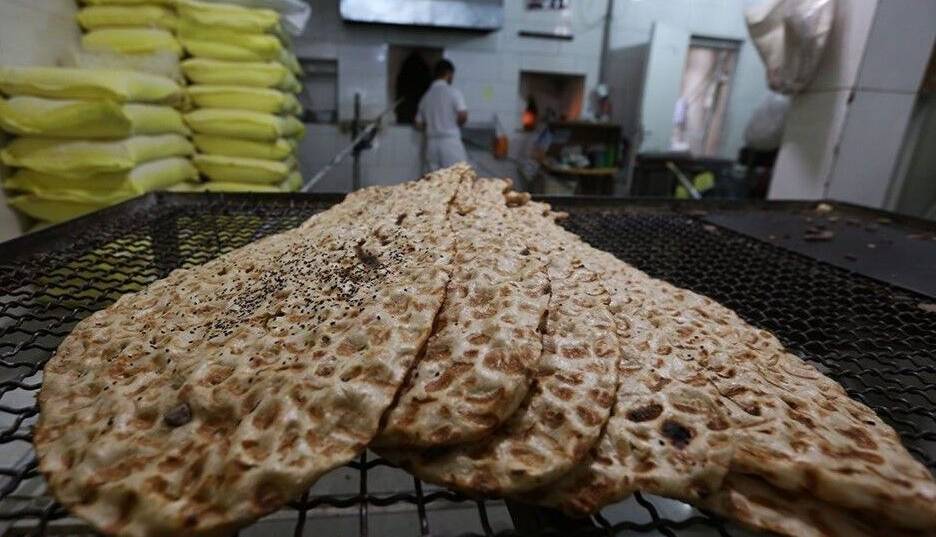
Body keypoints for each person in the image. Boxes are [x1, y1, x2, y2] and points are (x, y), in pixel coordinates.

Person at [415, 59, 468, 172]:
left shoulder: (426, 96)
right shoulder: (453, 92)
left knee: (434, 179)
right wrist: (455, 123)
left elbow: (418, 124)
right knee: (458, 176)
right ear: (449, 73)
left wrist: (433, 126)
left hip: (431, 144)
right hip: (450, 142)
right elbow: (463, 115)